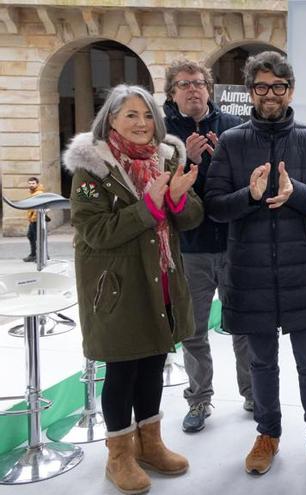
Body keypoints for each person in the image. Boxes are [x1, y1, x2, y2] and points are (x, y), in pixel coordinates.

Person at [204, 51, 306, 477]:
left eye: (278, 86)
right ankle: (267, 433)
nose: (270, 94)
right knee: (262, 363)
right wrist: (248, 197)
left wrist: (294, 192)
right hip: (248, 272)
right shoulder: (232, 141)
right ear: (250, 91)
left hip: (300, 270)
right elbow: (214, 206)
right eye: (262, 86)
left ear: (291, 90)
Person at [63, 84, 202, 494]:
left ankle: (151, 443)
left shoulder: (167, 157)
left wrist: (177, 200)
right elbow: (94, 231)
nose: (142, 124)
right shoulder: (93, 168)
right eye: (130, 115)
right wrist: (149, 207)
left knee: (153, 364)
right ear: (110, 120)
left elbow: (191, 217)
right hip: (118, 286)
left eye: (147, 115)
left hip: (161, 279)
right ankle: (119, 453)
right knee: (123, 369)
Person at [163, 58, 254, 433]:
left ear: (209, 89)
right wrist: (189, 160)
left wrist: (218, 163)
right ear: (172, 93)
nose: (193, 89)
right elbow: (157, 193)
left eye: (199, 82)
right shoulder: (163, 137)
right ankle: (199, 399)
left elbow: (249, 184)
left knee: (245, 326)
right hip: (190, 249)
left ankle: (253, 393)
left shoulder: (234, 129)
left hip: (235, 244)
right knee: (193, 329)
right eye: (184, 84)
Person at [22, 176, 46, 262]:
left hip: (36, 220)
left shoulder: (38, 193)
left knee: (38, 238)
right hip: (33, 220)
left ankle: (42, 256)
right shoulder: (33, 192)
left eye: (33, 183)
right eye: (30, 183)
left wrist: (33, 218)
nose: (31, 185)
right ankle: (34, 255)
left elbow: (37, 208)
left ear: (37, 184)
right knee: (31, 236)